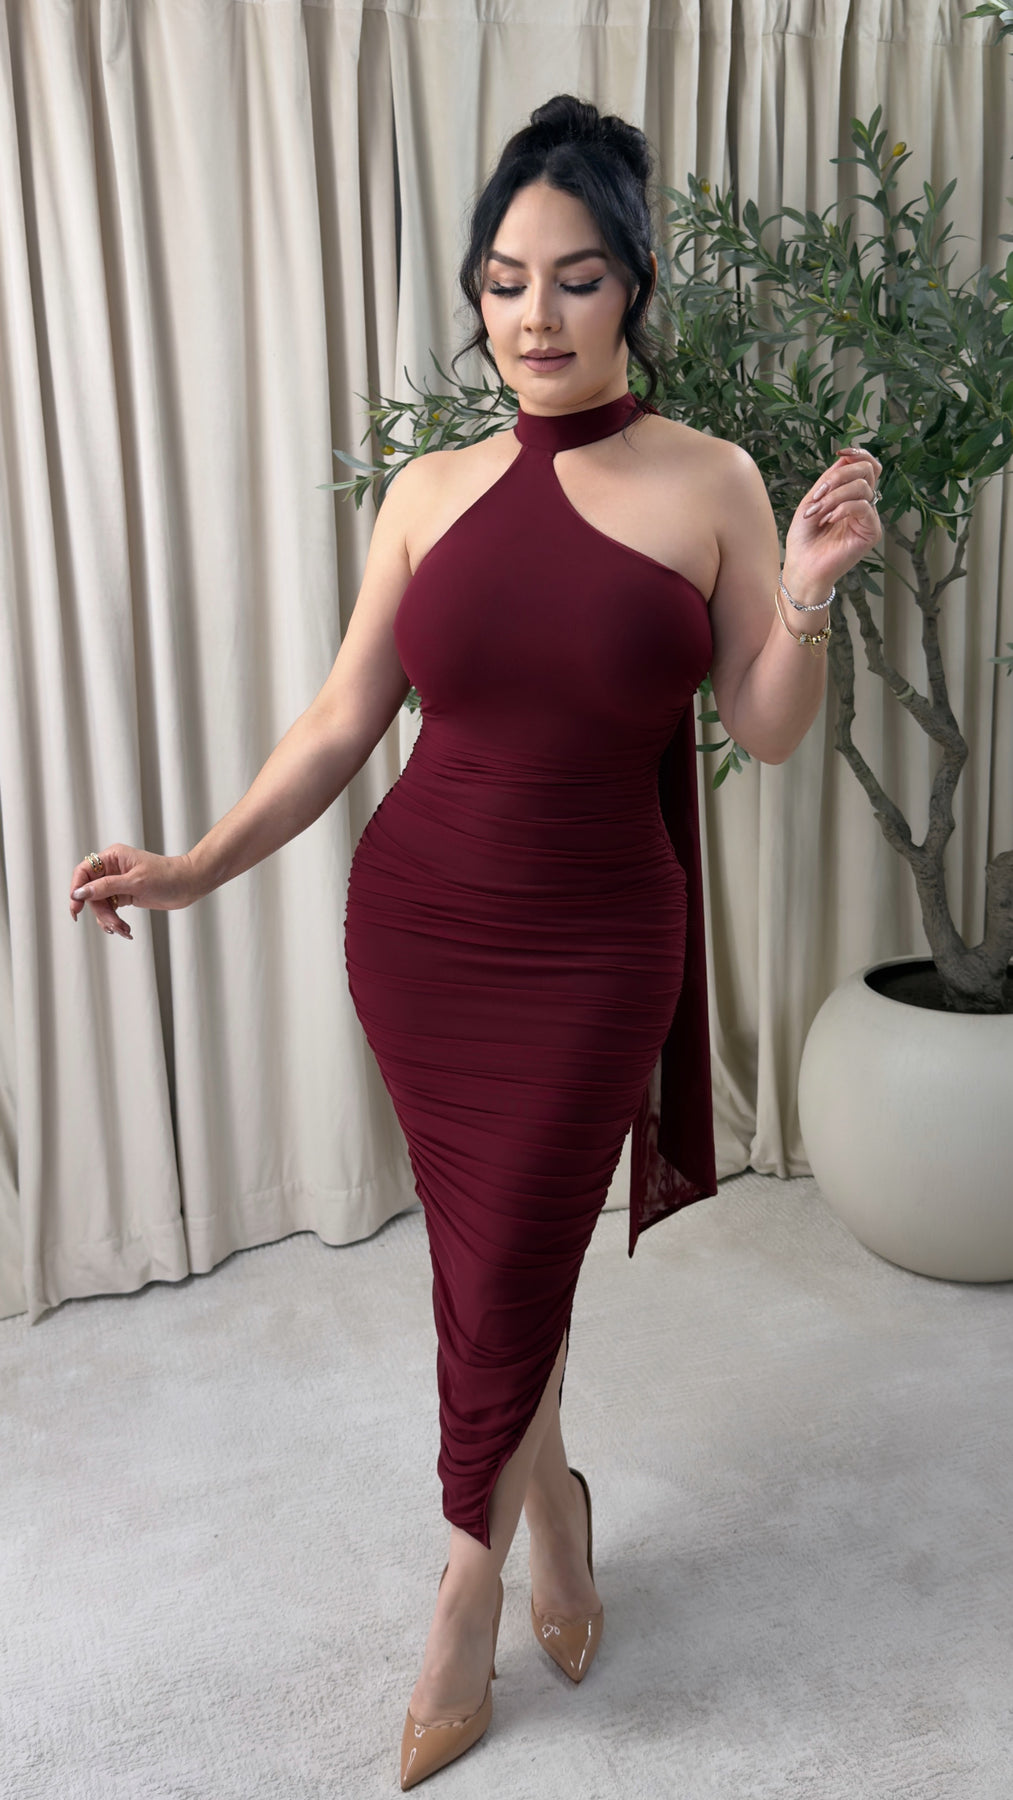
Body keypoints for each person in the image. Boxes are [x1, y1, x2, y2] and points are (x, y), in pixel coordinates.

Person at [69, 94, 881, 1791]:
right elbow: (339, 721)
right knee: (493, 1260)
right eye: (504, 280)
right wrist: (194, 866)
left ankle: (466, 1581)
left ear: (632, 286)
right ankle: (552, 1507)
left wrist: (804, 588)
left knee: (507, 1258)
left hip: (598, 943)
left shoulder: (712, 481)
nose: (534, 314)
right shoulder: (428, 492)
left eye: (575, 278)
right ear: (476, 290)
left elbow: (766, 726)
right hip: (421, 929)